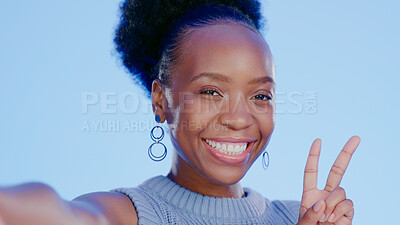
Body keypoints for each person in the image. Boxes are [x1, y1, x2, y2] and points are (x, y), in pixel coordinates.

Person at [0, 0, 361, 224]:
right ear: (161, 101)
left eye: (260, 96)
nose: (239, 118)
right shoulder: (128, 215)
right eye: (210, 91)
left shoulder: (306, 219)